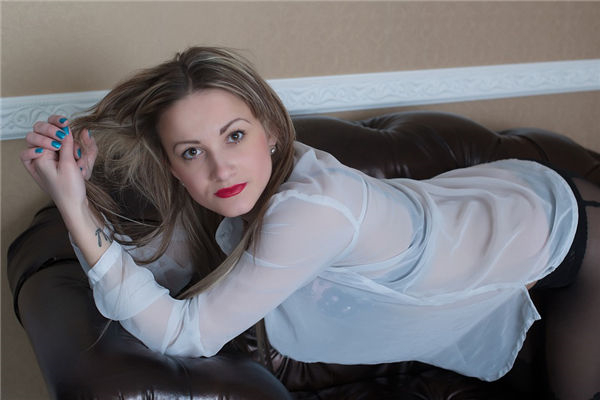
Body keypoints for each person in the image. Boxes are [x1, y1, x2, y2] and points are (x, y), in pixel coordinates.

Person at [21, 47, 599, 399]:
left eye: (235, 136)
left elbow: (186, 334)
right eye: (192, 151)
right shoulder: (233, 193)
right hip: (476, 203)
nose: (222, 168)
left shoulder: (309, 210)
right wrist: (79, 194)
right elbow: (154, 270)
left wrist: (74, 209)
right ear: (172, 165)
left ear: (271, 131)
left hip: (557, 227)